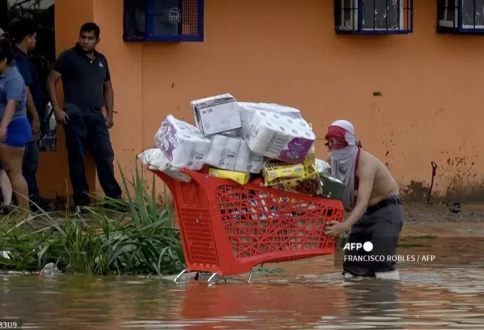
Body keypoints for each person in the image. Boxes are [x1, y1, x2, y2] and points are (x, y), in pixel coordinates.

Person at [46, 22, 122, 214]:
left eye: (89, 38)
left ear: (97, 40)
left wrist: (110, 115)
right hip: (74, 115)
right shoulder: (68, 57)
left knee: (105, 155)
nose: (85, 41)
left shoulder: (102, 60)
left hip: (97, 116)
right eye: (83, 37)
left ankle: (114, 199)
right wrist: (57, 109)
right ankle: (81, 201)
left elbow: (108, 87)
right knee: (77, 157)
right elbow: (50, 81)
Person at [324, 120, 403, 280]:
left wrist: (344, 226)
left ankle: (386, 299)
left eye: (339, 141)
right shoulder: (331, 161)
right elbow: (326, 191)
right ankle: (358, 303)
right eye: (331, 142)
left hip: (386, 210)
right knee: (352, 266)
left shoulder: (365, 163)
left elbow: (362, 201)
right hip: (361, 214)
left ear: (350, 141)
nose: (335, 146)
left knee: (381, 261)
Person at [11, 19, 55, 212]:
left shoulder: (19, 58)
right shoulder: (20, 59)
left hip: (23, 119)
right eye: (34, 37)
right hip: (26, 119)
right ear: (28, 37)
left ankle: (28, 198)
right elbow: (26, 91)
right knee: (27, 162)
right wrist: (35, 116)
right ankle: (28, 200)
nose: (36, 41)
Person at [0, 37, 32, 215]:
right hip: (5, 127)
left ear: (5, 60)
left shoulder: (13, 77)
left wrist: (3, 127)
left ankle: (25, 213)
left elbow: (12, 104)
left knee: (14, 171)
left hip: (13, 127)